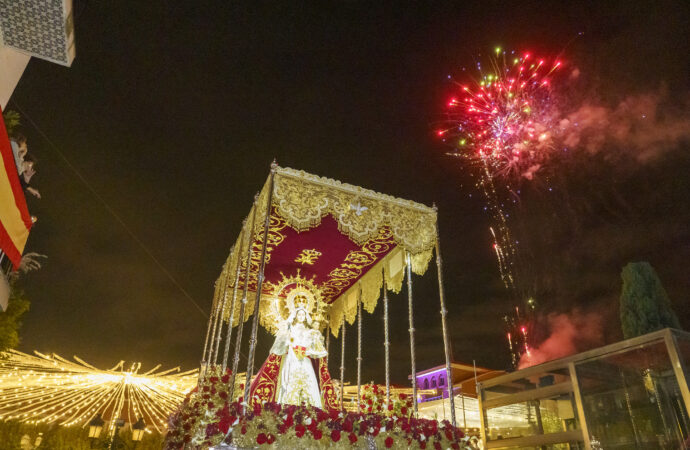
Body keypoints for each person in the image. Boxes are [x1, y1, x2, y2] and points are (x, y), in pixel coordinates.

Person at [246, 292, 339, 411]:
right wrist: (287, 339)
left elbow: (316, 348)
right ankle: (286, 409)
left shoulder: (310, 331)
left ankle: (312, 410)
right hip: (292, 359)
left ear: (306, 315)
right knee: (288, 382)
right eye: (299, 314)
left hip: (305, 360)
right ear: (295, 315)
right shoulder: (290, 328)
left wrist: (313, 341)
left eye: (303, 314)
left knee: (309, 383)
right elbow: (282, 344)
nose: (301, 316)